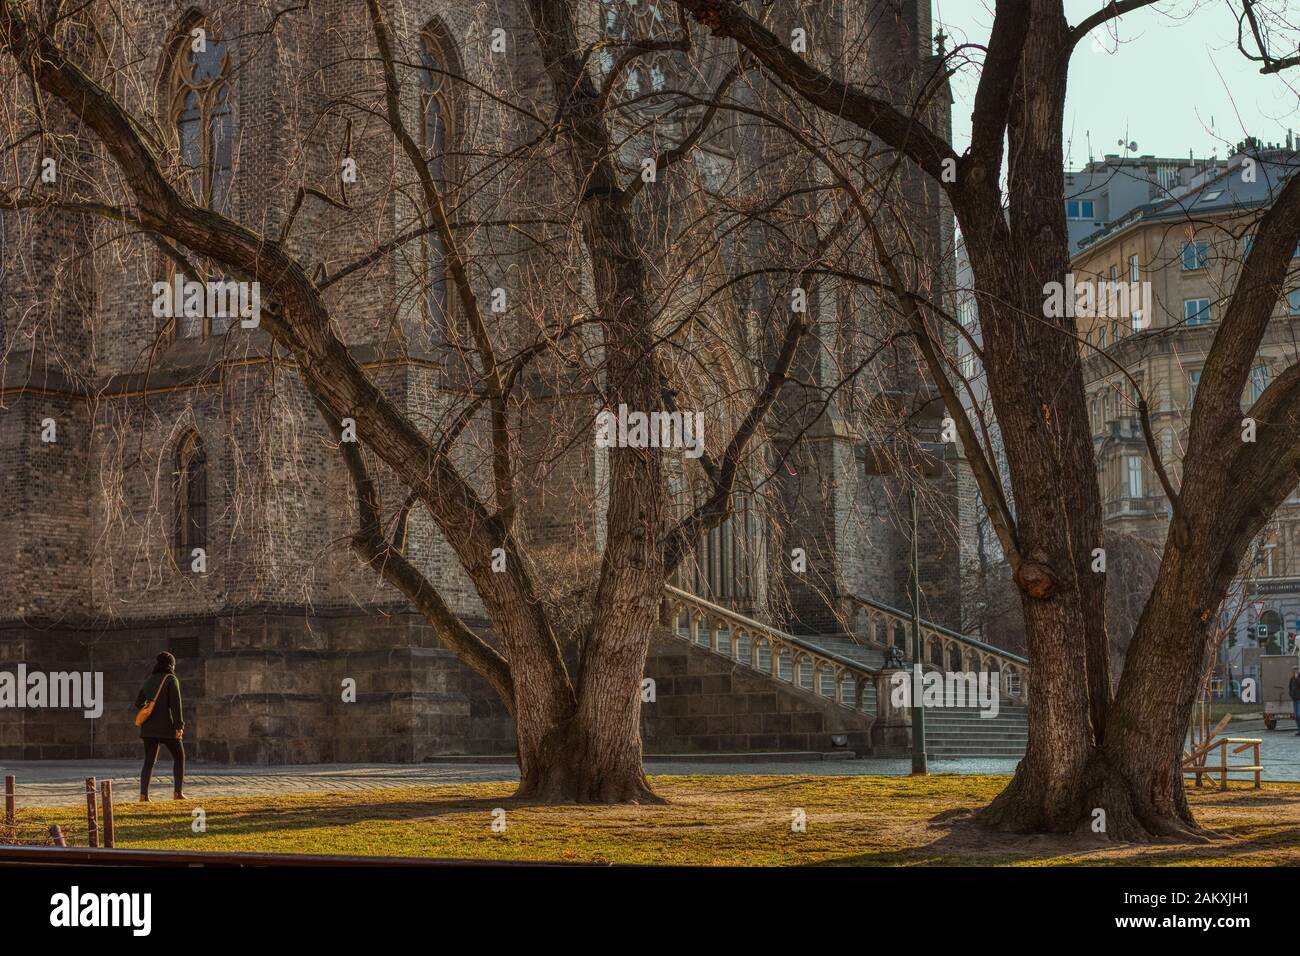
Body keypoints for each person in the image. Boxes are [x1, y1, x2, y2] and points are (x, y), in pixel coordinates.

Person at [134, 651, 186, 801]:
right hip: (167, 727)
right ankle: (178, 793)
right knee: (179, 757)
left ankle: (143, 795)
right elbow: (176, 706)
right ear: (171, 665)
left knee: (149, 761)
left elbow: (138, 702)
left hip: (148, 728)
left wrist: (149, 708)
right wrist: (179, 726)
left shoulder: (150, 680)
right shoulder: (171, 679)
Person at [1289, 667, 1300, 736]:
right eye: (1294, 670)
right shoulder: (1292, 678)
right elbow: (1289, 687)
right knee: (1296, 716)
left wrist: (1297, 679)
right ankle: (1299, 730)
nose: (1295, 671)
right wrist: (1290, 694)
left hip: (1299, 699)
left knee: (1299, 714)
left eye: (1296, 669)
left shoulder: (1297, 678)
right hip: (1294, 699)